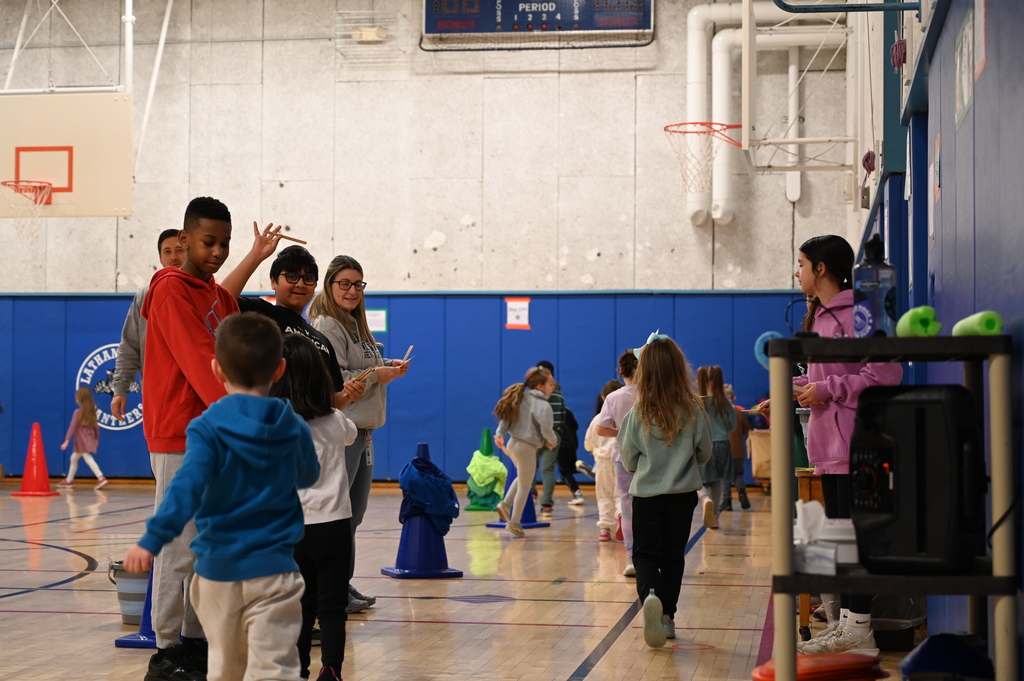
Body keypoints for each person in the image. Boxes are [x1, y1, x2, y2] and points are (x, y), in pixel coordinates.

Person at [124, 312, 320, 681]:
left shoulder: (206, 428)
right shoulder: (291, 424)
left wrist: (151, 541)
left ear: (216, 370)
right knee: (275, 667)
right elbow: (308, 474)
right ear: (279, 370)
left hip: (218, 575)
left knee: (225, 669)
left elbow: (184, 490)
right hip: (274, 570)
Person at [759, 234, 902, 657]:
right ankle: (849, 628)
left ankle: (860, 630)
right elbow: (825, 378)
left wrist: (825, 388)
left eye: (801, 263)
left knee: (856, 542)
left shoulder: (860, 311)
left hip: (859, 443)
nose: (797, 271)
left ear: (821, 269)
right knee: (840, 541)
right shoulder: (818, 318)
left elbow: (883, 376)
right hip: (827, 448)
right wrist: (791, 389)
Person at [138, 196, 242, 681]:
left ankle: (197, 641)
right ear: (182, 241)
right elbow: (204, 365)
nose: (218, 251)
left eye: (225, 243)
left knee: (210, 546)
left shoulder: (222, 299)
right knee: (179, 546)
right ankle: (165, 649)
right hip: (179, 435)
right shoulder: (170, 290)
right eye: (208, 242)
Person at [308, 255, 409, 613]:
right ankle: (328, 591)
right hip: (341, 430)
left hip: (363, 430)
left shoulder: (355, 323)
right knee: (337, 517)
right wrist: (375, 374)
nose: (353, 291)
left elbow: (361, 367)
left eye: (358, 284)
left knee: (354, 515)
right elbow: (338, 377)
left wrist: (386, 366)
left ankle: (341, 585)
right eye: (345, 284)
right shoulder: (326, 324)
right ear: (330, 285)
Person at [270, 334, 357, 681]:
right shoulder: (334, 420)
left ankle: (298, 671)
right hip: (334, 525)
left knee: (300, 608)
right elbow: (350, 435)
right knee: (333, 607)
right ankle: (331, 669)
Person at [618, 332, 712, 648]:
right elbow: (705, 452)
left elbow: (628, 460)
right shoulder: (694, 409)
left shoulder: (636, 414)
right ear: (678, 368)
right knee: (673, 556)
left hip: (646, 497)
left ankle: (650, 595)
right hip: (683, 496)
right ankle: (668, 618)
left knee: (644, 555)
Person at [220, 233, 366, 411]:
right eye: (291, 277)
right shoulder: (260, 315)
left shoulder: (322, 341)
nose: (300, 284)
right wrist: (256, 255)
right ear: (273, 281)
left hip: (307, 436)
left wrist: (349, 394)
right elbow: (219, 298)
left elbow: (329, 403)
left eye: (308, 278)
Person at [110, 228, 187, 422]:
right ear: (160, 257)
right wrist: (120, 388)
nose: (173, 257)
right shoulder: (145, 297)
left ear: (190, 251)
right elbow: (130, 346)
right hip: (159, 398)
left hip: (198, 395)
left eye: (179, 250)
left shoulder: (205, 292)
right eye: (167, 252)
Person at [493, 366, 558, 537]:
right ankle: (514, 522)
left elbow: (506, 419)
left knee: (522, 478)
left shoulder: (520, 398)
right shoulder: (542, 405)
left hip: (513, 444)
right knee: (525, 485)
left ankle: (506, 504)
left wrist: (500, 434)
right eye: (550, 384)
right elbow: (546, 430)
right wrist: (553, 442)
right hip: (526, 447)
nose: (553, 387)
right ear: (540, 386)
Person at [594, 349, 639, 576]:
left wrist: (621, 431)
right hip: (652, 459)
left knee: (627, 508)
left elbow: (600, 428)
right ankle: (652, 557)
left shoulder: (614, 397)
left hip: (624, 459)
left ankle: (631, 558)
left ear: (621, 370)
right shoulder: (652, 394)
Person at [696, 365, 736, 530]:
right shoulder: (725, 403)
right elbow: (732, 426)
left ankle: (705, 499)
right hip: (722, 446)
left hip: (703, 446)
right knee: (717, 481)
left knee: (698, 480)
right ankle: (716, 517)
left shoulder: (698, 402)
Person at [583, 380, 624, 541]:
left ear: (603, 397)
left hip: (603, 462)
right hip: (622, 460)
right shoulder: (625, 416)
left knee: (604, 494)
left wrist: (594, 449)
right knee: (622, 493)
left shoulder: (599, 419)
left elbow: (589, 442)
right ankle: (621, 515)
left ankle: (605, 528)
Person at [56, 386, 107, 489]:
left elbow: (72, 427)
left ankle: (101, 477)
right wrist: (96, 438)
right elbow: (96, 427)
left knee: (88, 458)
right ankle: (69, 481)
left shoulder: (77, 412)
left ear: (79, 399)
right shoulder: (91, 412)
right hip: (89, 439)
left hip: (82, 441)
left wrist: (66, 441)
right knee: (74, 458)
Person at [535, 360, 567, 514]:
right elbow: (562, 418)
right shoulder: (559, 396)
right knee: (547, 470)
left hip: (535, 437)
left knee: (529, 468)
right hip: (553, 435)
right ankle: (546, 503)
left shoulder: (533, 396)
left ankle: (530, 495)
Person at [720, 383, 751, 512]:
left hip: (724, 450)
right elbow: (745, 430)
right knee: (738, 474)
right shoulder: (739, 412)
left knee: (725, 476)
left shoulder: (719, 413)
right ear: (733, 398)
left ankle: (726, 502)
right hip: (738, 451)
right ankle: (742, 493)